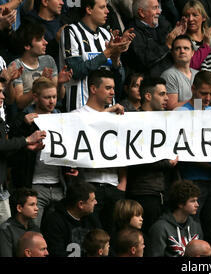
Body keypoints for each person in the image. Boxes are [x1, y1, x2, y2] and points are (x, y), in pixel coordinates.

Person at [8, 77, 74, 228]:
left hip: (59, 185)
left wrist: (72, 168)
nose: (51, 101)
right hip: (34, 187)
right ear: (35, 97)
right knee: (33, 233)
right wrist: (24, 128)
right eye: (47, 97)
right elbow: (12, 154)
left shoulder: (62, 119)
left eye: (54, 97)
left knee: (57, 231)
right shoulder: (23, 120)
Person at [72, 69, 126, 235]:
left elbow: (125, 150)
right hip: (89, 185)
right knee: (94, 235)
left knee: (115, 237)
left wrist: (122, 183)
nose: (112, 92)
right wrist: (107, 113)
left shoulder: (118, 116)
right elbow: (84, 129)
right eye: (108, 88)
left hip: (113, 185)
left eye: (113, 88)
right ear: (93, 89)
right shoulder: (77, 115)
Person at [177, 71, 211, 234]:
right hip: (193, 180)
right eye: (203, 93)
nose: (207, 98)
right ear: (193, 89)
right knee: (193, 226)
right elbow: (182, 151)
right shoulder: (180, 114)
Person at [60, 0, 133, 112]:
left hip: (109, 108)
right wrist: (107, 53)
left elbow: (118, 79)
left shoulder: (106, 34)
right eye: (102, 7)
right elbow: (75, 71)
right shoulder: (71, 32)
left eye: (107, 7)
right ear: (89, 9)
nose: (107, 11)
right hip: (80, 106)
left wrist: (116, 57)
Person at [126, 77, 178, 232]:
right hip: (143, 192)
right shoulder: (133, 122)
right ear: (148, 96)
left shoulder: (166, 121)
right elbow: (136, 157)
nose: (167, 98)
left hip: (163, 192)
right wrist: (166, 163)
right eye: (162, 94)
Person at [0, 76, 46, 225]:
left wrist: (27, 148)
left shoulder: (0, 121)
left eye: (2, 92)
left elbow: (6, 155)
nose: (2, 96)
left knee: (5, 230)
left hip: (2, 188)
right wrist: (26, 140)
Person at [9, 22, 71, 111]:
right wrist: (39, 83)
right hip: (28, 114)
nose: (45, 42)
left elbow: (60, 96)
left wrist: (60, 84)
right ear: (27, 46)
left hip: (50, 111)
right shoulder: (16, 66)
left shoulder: (48, 60)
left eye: (44, 38)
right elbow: (20, 103)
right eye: (39, 39)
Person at [123, 0, 183, 77]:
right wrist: (166, 45)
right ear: (141, 12)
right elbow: (143, 60)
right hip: (149, 83)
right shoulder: (132, 32)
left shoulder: (163, 24)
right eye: (155, 8)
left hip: (172, 76)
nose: (159, 12)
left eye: (158, 7)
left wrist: (179, 36)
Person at [41, 181, 101, 257]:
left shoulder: (91, 217)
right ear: (81, 204)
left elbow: (103, 243)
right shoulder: (54, 222)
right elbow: (56, 253)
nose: (96, 202)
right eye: (92, 200)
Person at [148, 180, 203, 257]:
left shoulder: (196, 226)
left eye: (196, 200)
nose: (197, 205)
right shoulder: (160, 228)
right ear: (180, 203)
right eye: (192, 201)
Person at [21, 0, 64, 65]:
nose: (62, 3)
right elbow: (32, 52)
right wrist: (56, 41)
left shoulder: (63, 22)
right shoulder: (30, 23)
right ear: (45, 2)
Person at [0, 188, 40, 257]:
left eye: (36, 204)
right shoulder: (6, 230)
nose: (36, 208)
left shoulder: (35, 228)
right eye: (32, 204)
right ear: (19, 208)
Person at [162, 35, 198, 110]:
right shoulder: (169, 75)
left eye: (186, 48)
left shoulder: (198, 74)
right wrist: (195, 101)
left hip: (197, 118)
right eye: (178, 48)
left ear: (192, 53)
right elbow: (171, 107)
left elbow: (200, 106)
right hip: (178, 119)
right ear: (172, 53)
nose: (182, 51)